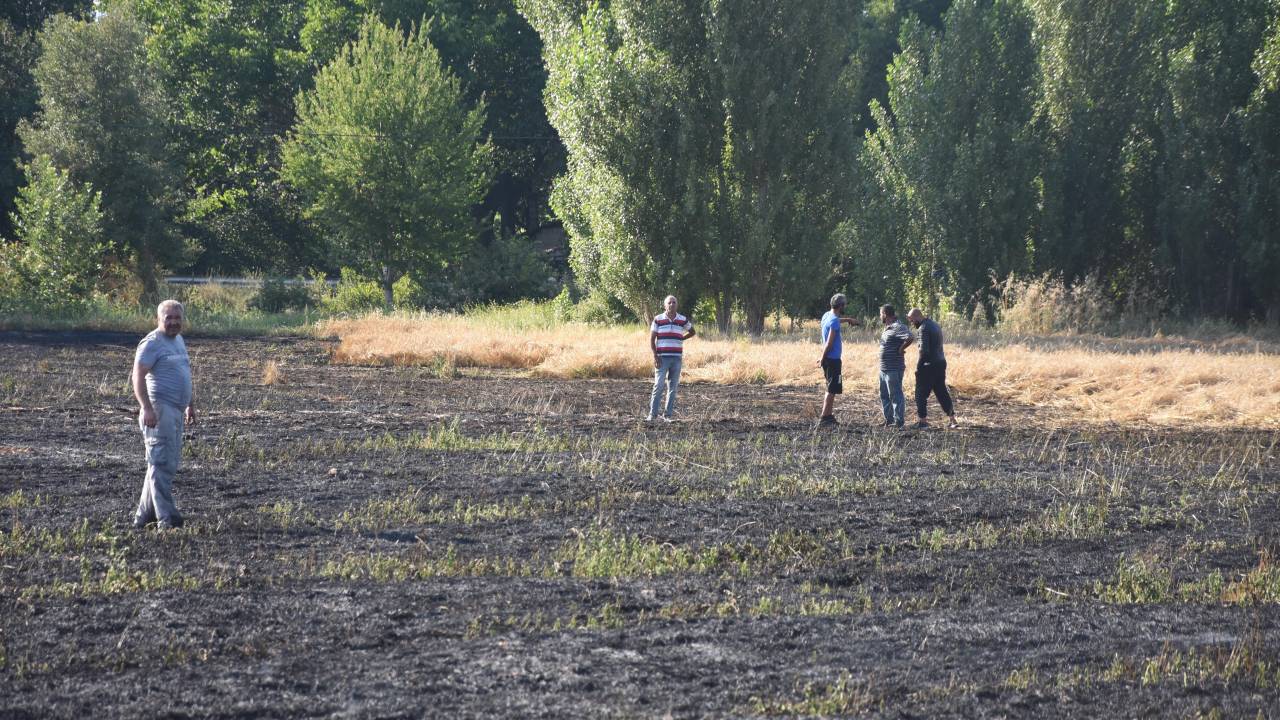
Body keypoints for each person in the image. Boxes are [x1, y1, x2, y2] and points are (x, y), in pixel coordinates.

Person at [132, 299, 196, 530]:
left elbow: (185, 371)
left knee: (159, 464)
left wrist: (190, 404)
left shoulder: (178, 340)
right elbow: (137, 376)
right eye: (168, 318)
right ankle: (167, 518)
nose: (173, 322)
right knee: (162, 463)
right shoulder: (151, 343)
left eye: (177, 318)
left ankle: (143, 517)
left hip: (177, 410)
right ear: (159, 319)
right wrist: (147, 408)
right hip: (160, 410)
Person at [907, 308, 958, 429]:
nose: (912, 323)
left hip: (928, 365)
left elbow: (923, 350)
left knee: (920, 393)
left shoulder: (923, 328)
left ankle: (922, 421)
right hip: (940, 362)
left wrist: (919, 367)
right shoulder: (935, 325)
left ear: (917, 317)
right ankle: (953, 420)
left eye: (912, 320)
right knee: (941, 392)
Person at [816, 293, 861, 426]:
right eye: (844, 304)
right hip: (832, 360)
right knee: (832, 388)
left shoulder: (826, 316)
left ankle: (828, 415)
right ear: (841, 306)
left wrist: (847, 320)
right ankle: (825, 417)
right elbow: (829, 343)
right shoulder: (834, 321)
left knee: (831, 387)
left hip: (829, 360)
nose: (845, 306)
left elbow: (835, 321)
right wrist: (822, 359)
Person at [648, 295, 695, 422]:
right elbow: (652, 339)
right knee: (658, 385)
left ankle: (667, 416)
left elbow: (692, 332)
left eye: (674, 302)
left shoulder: (682, 320)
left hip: (676, 358)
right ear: (665, 305)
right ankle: (652, 415)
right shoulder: (658, 319)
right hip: (662, 358)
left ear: (677, 305)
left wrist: (681, 338)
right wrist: (655, 356)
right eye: (669, 302)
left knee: (673, 387)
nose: (672, 304)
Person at [877, 304, 914, 428]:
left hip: (893, 368)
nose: (880, 316)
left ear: (886, 314)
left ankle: (899, 422)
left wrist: (901, 349)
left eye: (881, 314)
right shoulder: (888, 328)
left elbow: (910, 337)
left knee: (895, 395)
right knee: (884, 395)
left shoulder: (898, 326)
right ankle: (889, 420)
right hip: (884, 368)